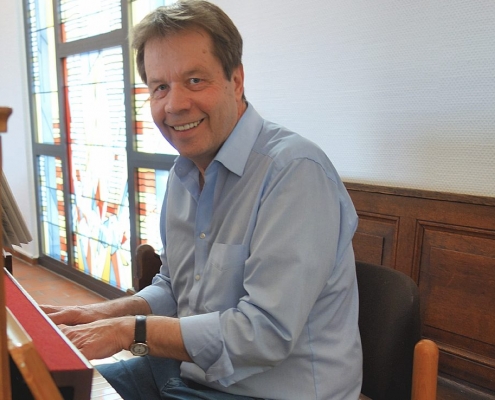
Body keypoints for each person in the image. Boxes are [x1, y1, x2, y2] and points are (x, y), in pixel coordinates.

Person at [41, 1, 362, 399]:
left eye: (194, 80)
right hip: (189, 373)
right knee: (44, 389)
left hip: (264, 392)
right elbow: (174, 288)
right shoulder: (184, 173)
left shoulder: (294, 171)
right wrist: (99, 313)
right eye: (160, 87)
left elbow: (265, 334)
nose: (174, 104)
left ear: (236, 81)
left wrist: (128, 332)